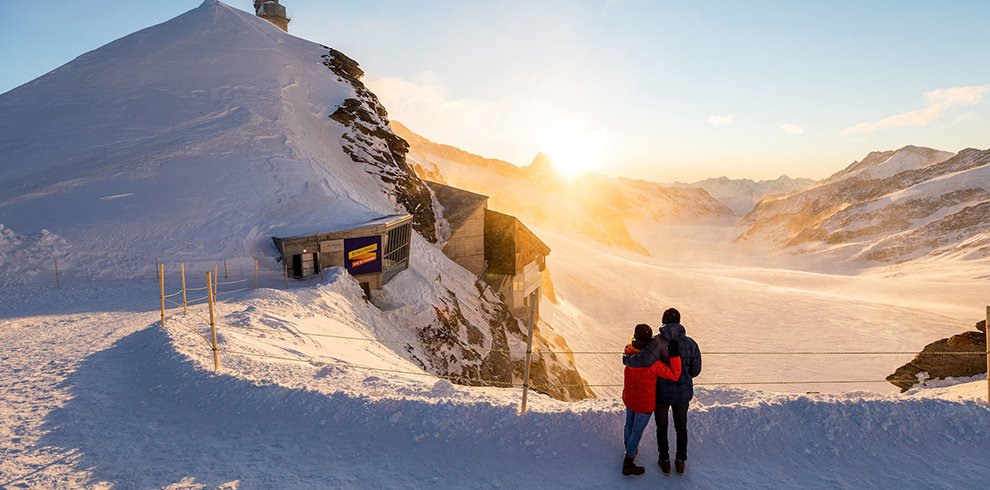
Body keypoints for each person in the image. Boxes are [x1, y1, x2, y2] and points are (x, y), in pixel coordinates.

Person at [624, 308, 702, 475]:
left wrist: (627, 360)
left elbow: (644, 360)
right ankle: (680, 463)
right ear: (679, 322)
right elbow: (695, 371)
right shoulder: (691, 343)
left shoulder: (657, 343)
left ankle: (664, 461)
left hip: (662, 394)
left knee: (662, 427)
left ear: (664, 321)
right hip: (682, 394)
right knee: (681, 427)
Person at [621, 323, 682, 476]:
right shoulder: (653, 363)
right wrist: (674, 355)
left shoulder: (628, 352)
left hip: (629, 397)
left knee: (629, 424)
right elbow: (674, 374)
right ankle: (628, 462)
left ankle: (630, 451)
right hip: (644, 403)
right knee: (637, 432)